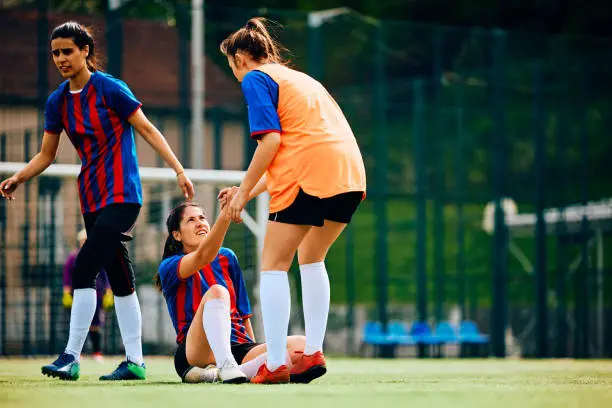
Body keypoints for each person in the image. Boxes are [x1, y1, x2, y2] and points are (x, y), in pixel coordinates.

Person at [0, 21, 194, 381]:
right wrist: (18, 177)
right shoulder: (57, 101)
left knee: (84, 267)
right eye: (55, 52)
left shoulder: (111, 90)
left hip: (123, 196)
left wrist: (178, 169)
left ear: (86, 50)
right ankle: (135, 362)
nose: (61, 58)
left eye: (68, 51)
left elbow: (148, 129)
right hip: (90, 197)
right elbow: (47, 155)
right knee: (120, 278)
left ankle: (70, 356)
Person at [219, 18, 367, 384]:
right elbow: (297, 148)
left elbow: (270, 144)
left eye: (231, 66)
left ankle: (275, 362)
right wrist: (245, 191)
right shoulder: (302, 80)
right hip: (349, 172)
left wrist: (240, 194)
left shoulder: (256, 78)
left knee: (273, 264)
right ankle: (312, 353)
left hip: (309, 172)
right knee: (312, 258)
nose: (236, 76)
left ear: (240, 58)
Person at [154, 200, 306, 384]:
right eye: (191, 220)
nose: (200, 222)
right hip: (197, 351)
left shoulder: (227, 257)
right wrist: (226, 214)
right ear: (177, 235)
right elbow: (203, 256)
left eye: (202, 217)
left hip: (237, 347)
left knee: (303, 348)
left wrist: (254, 347)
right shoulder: (169, 266)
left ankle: (217, 374)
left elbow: (243, 316)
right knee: (218, 292)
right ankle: (225, 366)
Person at [62, 229, 113, 362]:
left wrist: (108, 290)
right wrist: (66, 290)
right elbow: (67, 274)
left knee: (95, 325)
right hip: (77, 294)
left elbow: (105, 274)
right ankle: (78, 352)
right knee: (79, 324)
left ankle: (97, 352)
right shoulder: (73, 257)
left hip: (97, 294)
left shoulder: (98, 257)